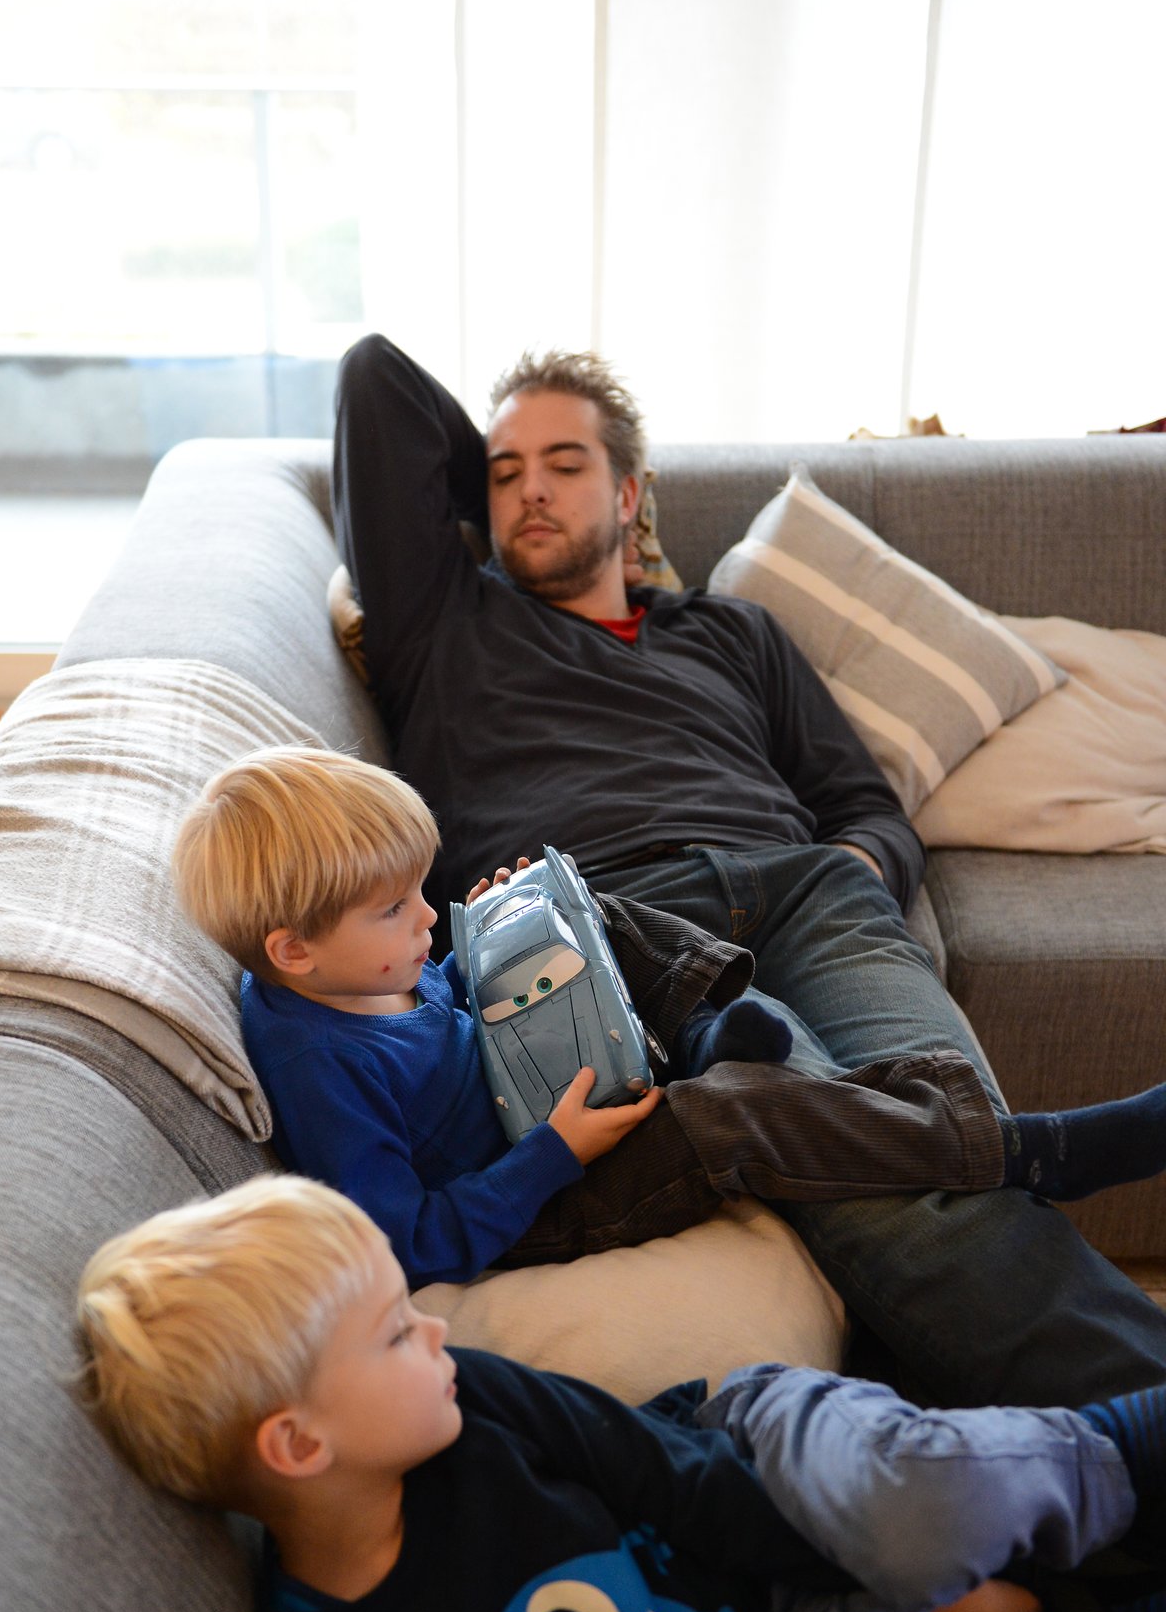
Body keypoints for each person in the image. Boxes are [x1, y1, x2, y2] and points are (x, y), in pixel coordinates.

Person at [330, 332, 1166, 1408]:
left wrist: (854, 867)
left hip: (807, 895)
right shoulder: (446, 624)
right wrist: (492, 489)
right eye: (503, 474)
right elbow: (371, 378)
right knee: (901, 1175)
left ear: (632, 496)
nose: (530, 491)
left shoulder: (733, 632)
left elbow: (862, 803)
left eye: (564, 465)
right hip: (611, 925)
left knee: (944, 1123)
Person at [75, 1173, 1166, 1612]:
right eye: (396, 1332)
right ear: (300, 1444)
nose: (437, 1333)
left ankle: (1121, 1451)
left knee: (914, 1511)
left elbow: (674, 1477)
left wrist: (944, 1595)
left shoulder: (476, 1406)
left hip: (763, 1475)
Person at [172, 744, 1166, 1290]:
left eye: (418, 893)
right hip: (533, 1190)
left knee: (579, 908)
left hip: (534, 1074)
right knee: (721, 1117)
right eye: (395, 911)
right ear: (292, 950)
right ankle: (1027, 1150)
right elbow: (409, 1242)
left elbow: (451, 1007)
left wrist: (493, 935)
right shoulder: (317, 1064)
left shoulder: (346, 965)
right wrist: (551, 1155)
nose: (424, 918)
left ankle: (692, 1031)